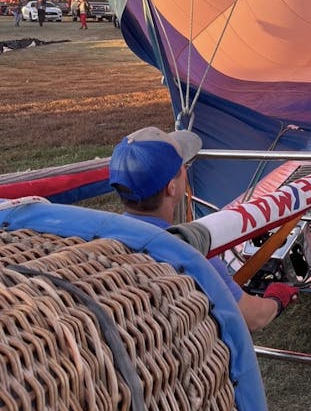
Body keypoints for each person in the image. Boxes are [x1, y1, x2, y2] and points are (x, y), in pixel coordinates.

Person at [109, 126, 297, 331]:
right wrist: (278, 299)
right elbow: (253, 317)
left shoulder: (102, 241)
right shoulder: (191, 254)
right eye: (182, 167)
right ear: (171, 187)